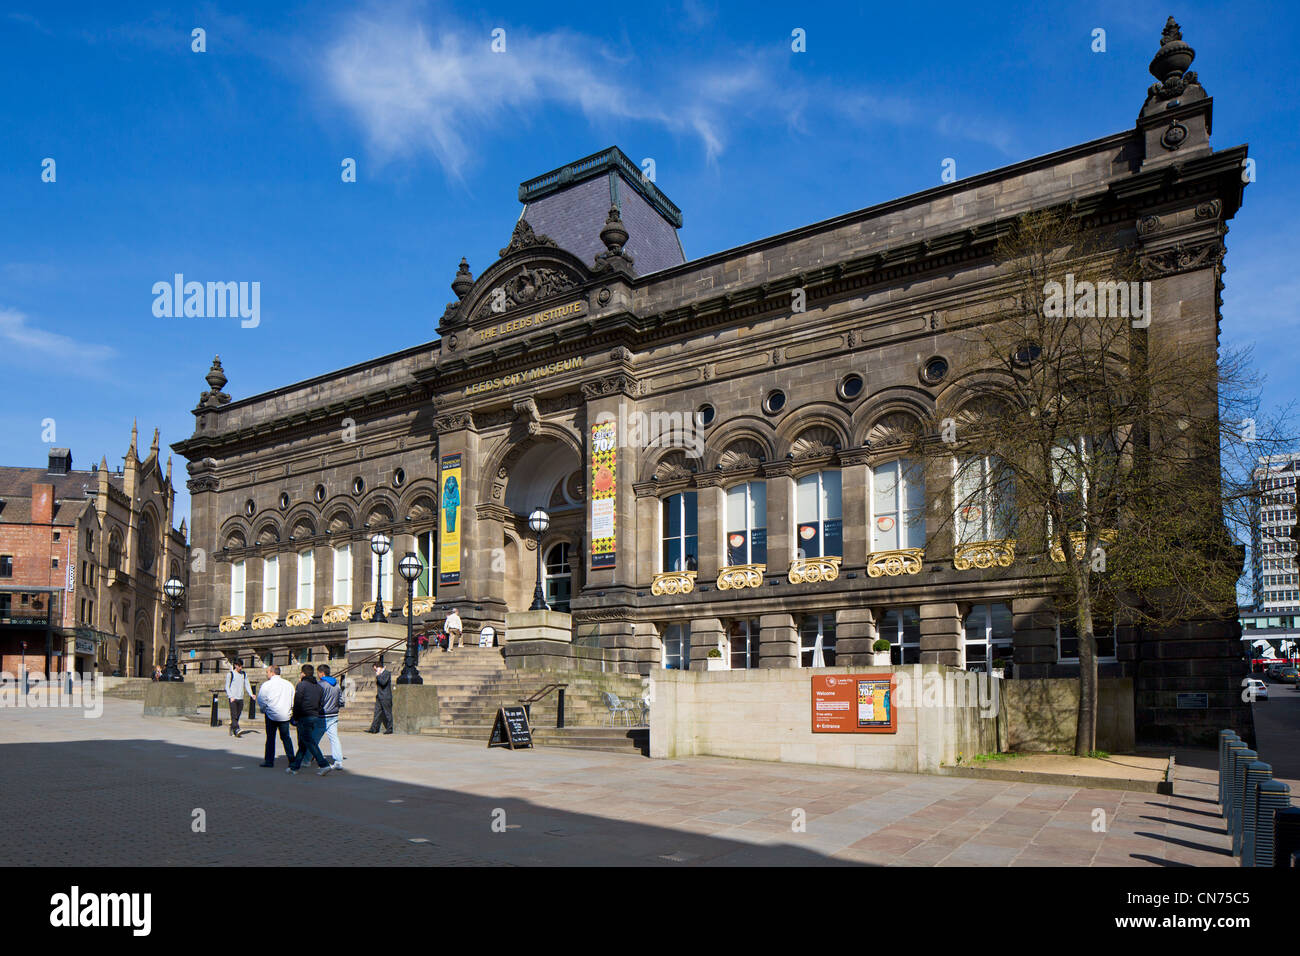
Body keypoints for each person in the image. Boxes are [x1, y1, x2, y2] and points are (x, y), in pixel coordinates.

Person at [288, 664, 332, 775]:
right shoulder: (318, 687)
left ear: (303, 673)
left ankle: (323, 764)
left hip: (304, 716)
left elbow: (297, 702)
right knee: (304, 742)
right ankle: (294, 767)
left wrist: (295, 717)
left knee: (308, 741)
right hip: (314, 716)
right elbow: (321, 703)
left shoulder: (301, 685)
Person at [256, 665, 295, 768]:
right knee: (286, 738)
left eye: (267, 672)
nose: (267, 674)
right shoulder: (288, 684)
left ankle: (269, 760)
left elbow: (261, 699)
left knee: (270, 738)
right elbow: (292, 700)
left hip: (271, 714)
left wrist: (264, 709)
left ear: (272, 673)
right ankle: (292, 760)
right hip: (285, 715)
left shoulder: (267, 685)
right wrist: (290, 710)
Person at [315, 664, 344, 770]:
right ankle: (338, 761)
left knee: (314, 739)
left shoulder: (320, 684)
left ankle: (307, 758)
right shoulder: (336, 684)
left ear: (321, 673)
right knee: (334, 738)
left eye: (318, 673)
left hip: (322, 714)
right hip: (334, 714)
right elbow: (341, 700)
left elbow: (317, 700)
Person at [224, 659, 254, 736]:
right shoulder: (230, 674)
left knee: (237, 715)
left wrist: (251, 694)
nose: (241, 668)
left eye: (241, 666)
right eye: (239, 666)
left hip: (240, 697)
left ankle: (232, 727)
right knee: (233, 715)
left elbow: (247, 685)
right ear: (235, 665)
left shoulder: (244, 674)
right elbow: (227, 687)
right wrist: (230, 696)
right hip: (233, 698)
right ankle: (237, 729)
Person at [366, 660, 393, 734]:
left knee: (387, 713)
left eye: (375, 669)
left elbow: (383, 683)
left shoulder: (386, 673)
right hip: (379, 696)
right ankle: (373, 728)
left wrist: (378, 675)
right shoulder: (380, 674)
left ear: (379, 667)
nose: (375, 671)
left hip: (385, 697)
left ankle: (389, 728)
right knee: (376, 713)